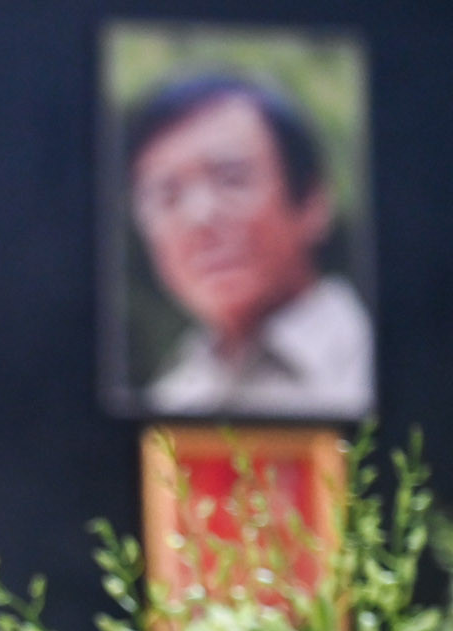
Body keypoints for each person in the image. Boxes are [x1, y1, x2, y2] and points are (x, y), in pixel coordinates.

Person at [123, 72, 373, 419]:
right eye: (167, 195)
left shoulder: (374, 365)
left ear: (312, 203)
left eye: (231, 179)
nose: (199, 216)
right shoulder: (169, 400)